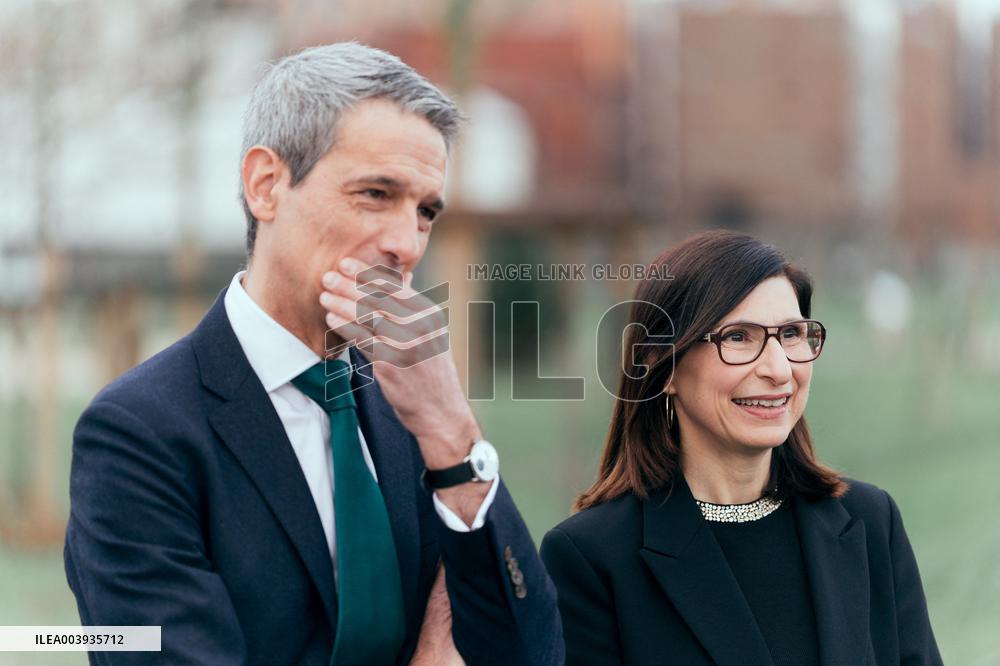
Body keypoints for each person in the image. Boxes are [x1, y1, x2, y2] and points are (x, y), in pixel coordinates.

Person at [64, 42, 563, 666]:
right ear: (266, 186)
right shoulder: (138, 432)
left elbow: (534, 651)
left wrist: (452, 432)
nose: (406, 243)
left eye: (426, 211)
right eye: (376, 194)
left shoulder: (417, 410)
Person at [540, 230, 941, 665]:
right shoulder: (591, 558)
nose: (778, 368)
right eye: (738, 337)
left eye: (791, 333)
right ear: (662, 365)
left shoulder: (869, 522)